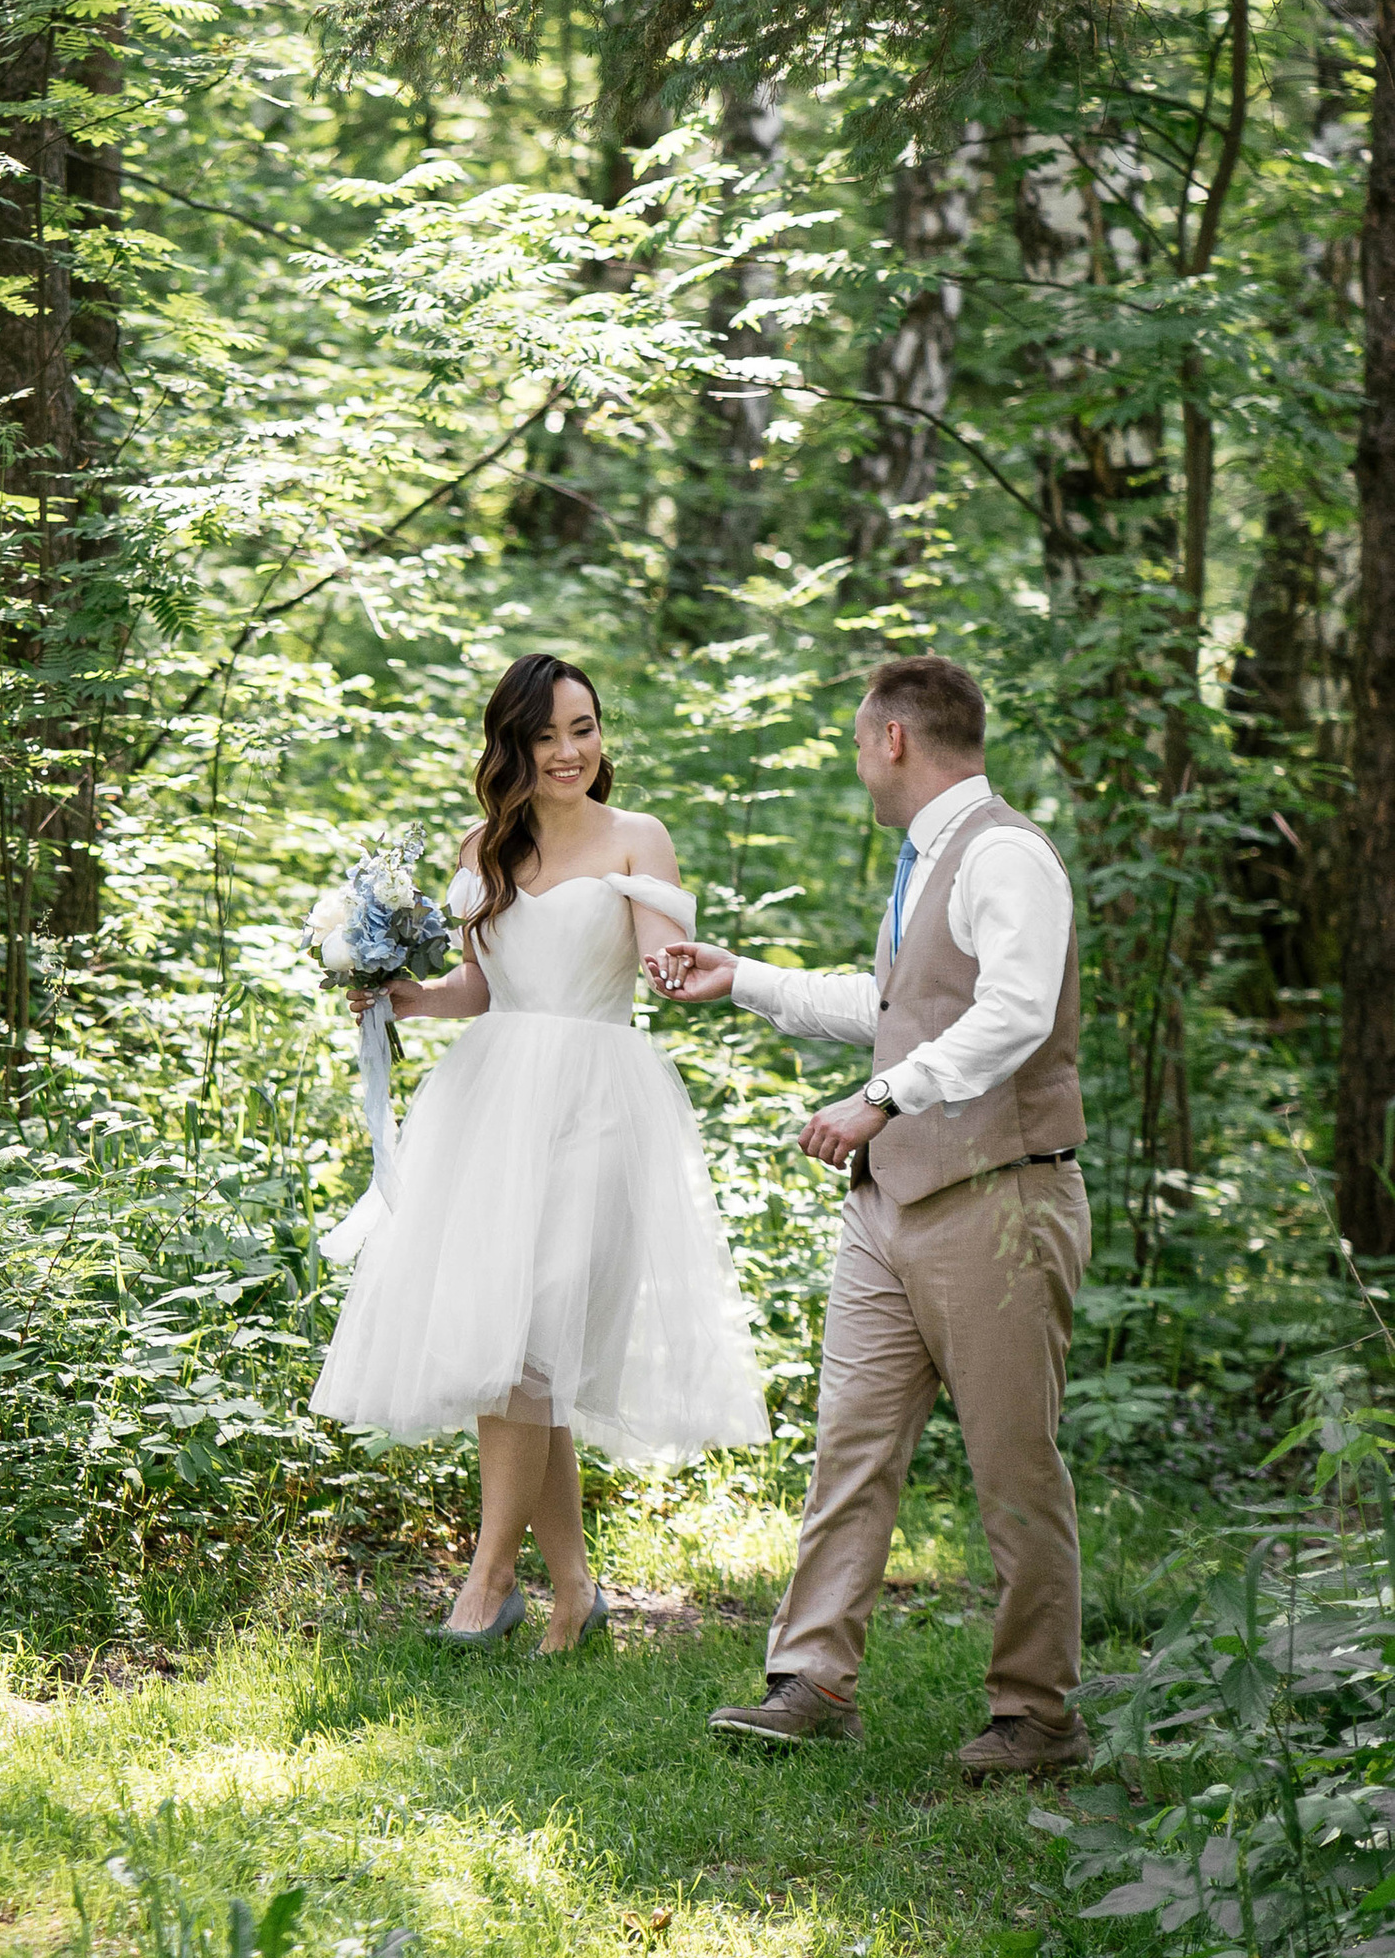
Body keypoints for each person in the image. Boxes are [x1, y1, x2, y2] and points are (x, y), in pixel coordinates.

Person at [652, 652, 1091, 1780]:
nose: (856, 758)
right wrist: (739, 976)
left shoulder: (1003, 854)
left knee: (1012, 1467)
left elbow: (1011, 1013)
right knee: (848, 1448)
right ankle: (813, 1681)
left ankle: (1036, 1715)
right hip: (887, 1210)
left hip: (1001, 1202)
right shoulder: (925, 860)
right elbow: (895, 1008)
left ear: (893, 738)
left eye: (856, 739)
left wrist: (883, 1097)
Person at [311, 653, 769, 1649]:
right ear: (510, 745)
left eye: (584, 728)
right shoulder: (485, 846)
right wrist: (400, 993)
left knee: (531, 1344)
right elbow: (477, 987)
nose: (569, 751)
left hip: (596, 1101)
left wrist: (677, 961)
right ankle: (571, 1588)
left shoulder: (637, 838)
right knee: (522, 1347)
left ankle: (485, 1582)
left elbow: (660, 967)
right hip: (490, 1100)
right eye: (546, 734)